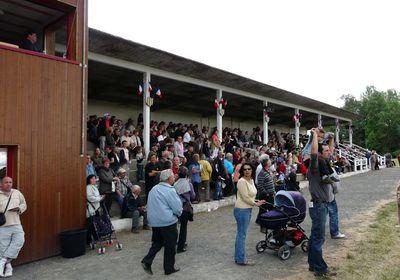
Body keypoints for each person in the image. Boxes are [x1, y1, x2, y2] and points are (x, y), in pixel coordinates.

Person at [307, 128, 337, 277]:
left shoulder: (324, 164)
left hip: (320, 205)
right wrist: (314, 135)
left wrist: (331, 138)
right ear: (319, 153)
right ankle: (320, 269)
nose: (329, 152)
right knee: (319, 237)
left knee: (314, 236)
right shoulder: (315, 165)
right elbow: (314, 151)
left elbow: (330, 149)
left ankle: (313, 264)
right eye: (325, 151)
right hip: (318, 205)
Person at [141, 169, 182, 276]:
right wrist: (178, 214)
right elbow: (177, 208)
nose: (174, 177)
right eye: (173, 176)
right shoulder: (169, 190)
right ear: (169, 178)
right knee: (170, 245)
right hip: (167, 222)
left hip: (155, 222)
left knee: (157, 243)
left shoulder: (153, 189)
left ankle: (147, 260)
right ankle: (169, 268)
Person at [234, 164, 265, 266]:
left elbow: (250, 196)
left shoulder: (251, 180)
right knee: (241, 235)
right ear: (242, 171)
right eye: (245, 169)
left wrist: (256, 201)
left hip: (247, 208)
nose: (247, 171)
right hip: (242, 209)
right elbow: (245, 197)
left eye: (249, 169)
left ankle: (239, 257)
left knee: (241, 234)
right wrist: (255, 203)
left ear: (252, 170)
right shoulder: (242, 181)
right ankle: (241, 259)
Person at [0, 177, 27, 277]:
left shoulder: (17, 193)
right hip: (3, 225)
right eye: (6, 182)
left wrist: (19, 208)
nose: (9, 184)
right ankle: (8, 268)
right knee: (3, 247)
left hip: (16, 223)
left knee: (20, 240)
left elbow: (24, 204)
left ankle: (2, 261)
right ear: (1, 184)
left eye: (10, 182)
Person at [174, 167, 195, 253]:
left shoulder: (175, 184)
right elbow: (193, 196)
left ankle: (176, 242)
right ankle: (181, 246)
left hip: (176, 206)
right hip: (185, 207)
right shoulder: (188, 184)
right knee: (183, 227)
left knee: (175, 226)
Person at [255, 156, 275, 225]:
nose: (270, 161)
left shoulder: (267, 171)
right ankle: (262, 221)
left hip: (270, 194)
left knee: (266, 209)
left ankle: (262, 220)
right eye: (269, 161)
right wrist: (266, 194)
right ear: (266, 163)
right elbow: (260, 185)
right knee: (264, 209)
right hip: (265, 195)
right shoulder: (262, 173)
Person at [86, 175, 104, 244]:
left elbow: (96, 196)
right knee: (91, 224)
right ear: (89, 180)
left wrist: (100, 197)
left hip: (96, 208)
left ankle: (97, 237)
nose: (94, 180)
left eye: (95, 178)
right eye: (92, 179)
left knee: (95, 223)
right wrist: (99, 198)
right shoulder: (88, 187)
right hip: (91, 209)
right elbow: (90, 197)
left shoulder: (94, 187)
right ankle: (90, 240)